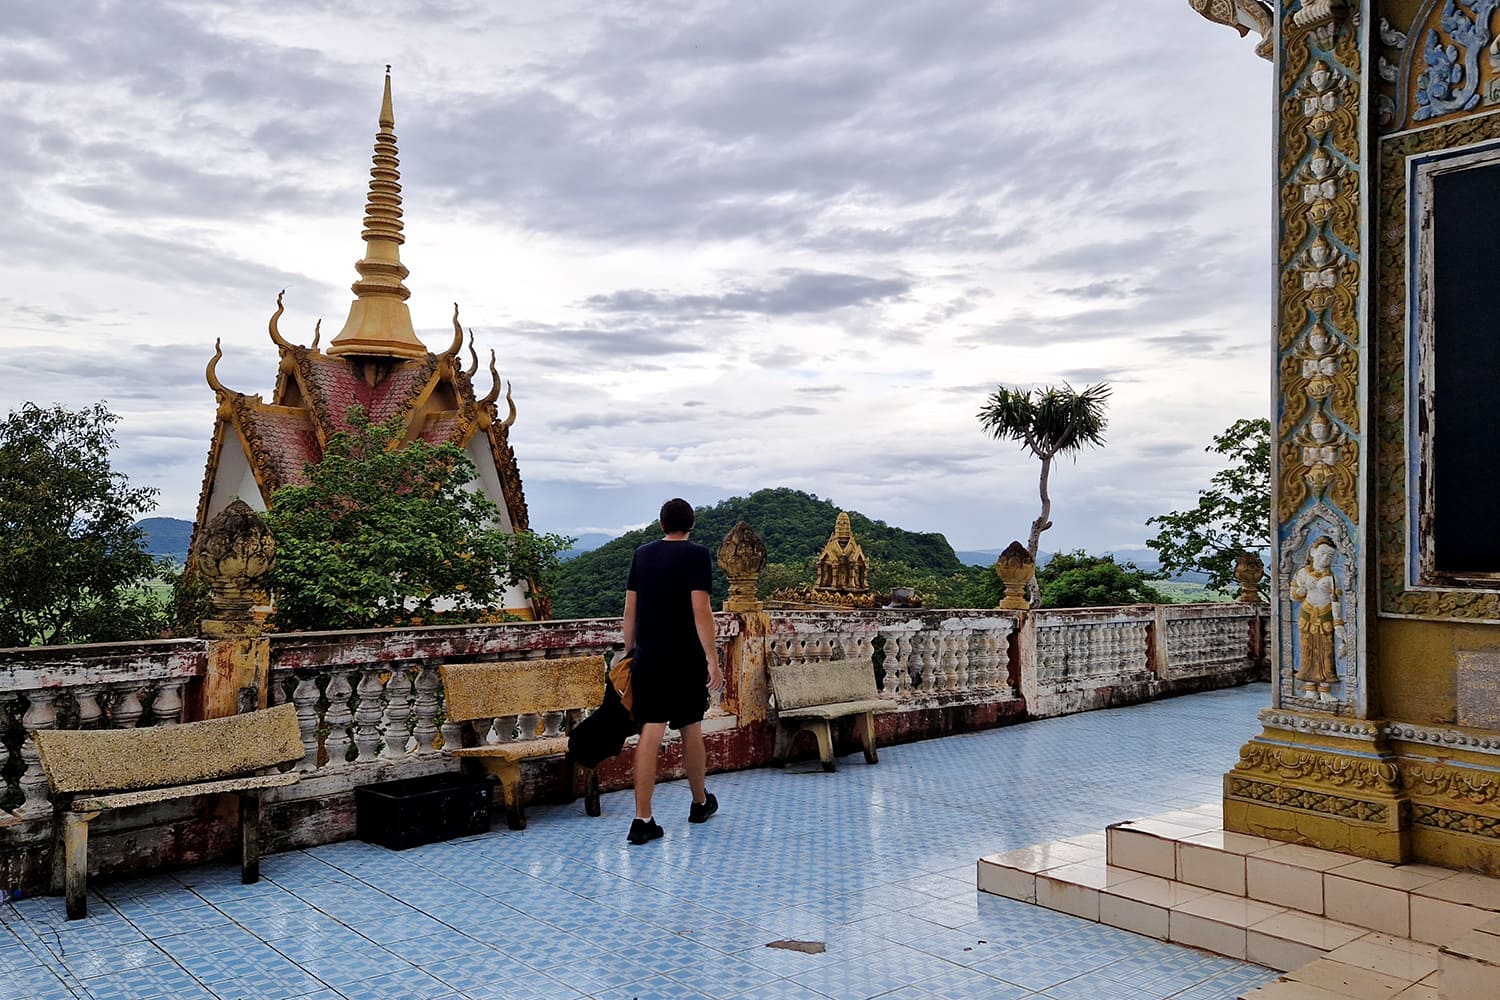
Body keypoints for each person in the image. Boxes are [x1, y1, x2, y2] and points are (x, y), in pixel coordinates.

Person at [620, 498, 725, 844]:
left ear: (662, 524)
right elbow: (701, 609)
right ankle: (699, 802)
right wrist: (712, 657)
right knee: (691, 729)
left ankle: (642, 818)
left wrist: (629, 651)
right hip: (685, 658)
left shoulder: (642, 554)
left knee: (650, 731)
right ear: (691, 524)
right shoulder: (697, 555)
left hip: (648, 657)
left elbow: (630, 610)